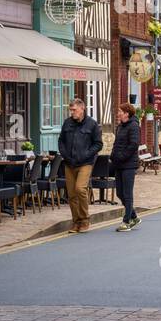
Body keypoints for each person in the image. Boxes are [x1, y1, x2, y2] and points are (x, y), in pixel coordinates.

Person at [58, 97, 101, 232]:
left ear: (82, 108)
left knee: (80, 189)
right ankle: (76, 222)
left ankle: (85, 220)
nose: (72, 112)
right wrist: (65, 155)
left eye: (74, 110)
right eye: (71, 110)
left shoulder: (92, 124)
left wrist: (86, 154)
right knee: (71, 194)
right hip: (69, 164)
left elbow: (98, 144)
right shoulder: (67, 123)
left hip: (85, 163)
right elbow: (61, 141)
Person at [110, 102, 141, 231]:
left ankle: (126, 222)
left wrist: (122, 156)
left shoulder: (133, 126)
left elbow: (134, 144)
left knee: (127, 194)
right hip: (118, 164)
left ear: (127, 113)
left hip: (129, 165)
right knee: (120, 193)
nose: (118, 114)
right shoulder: (120, 126)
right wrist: (113, 155)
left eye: (120, 112)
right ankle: (134, 216)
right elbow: (117, 143)